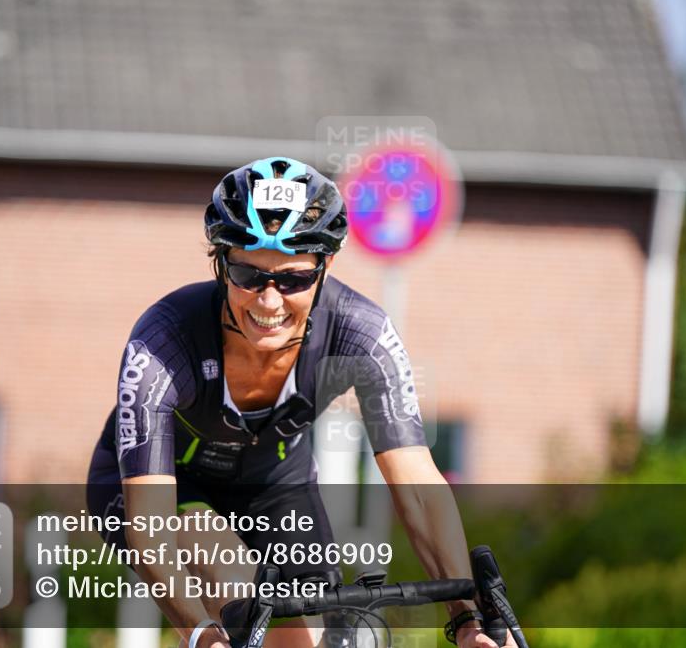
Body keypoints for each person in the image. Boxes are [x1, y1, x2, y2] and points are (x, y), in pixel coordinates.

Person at [87, 157, 500, 648]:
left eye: (293, 279)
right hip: (166, 485)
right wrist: (200, 633)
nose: (268, 301)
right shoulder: (164, 339)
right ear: (221, 263)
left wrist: (469, 620)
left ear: (324, 269)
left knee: (319, 633)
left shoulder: (360, 333)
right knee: (237, 588)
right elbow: (152, 524)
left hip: (274, 485)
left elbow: (417, 488)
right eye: (248, 274)